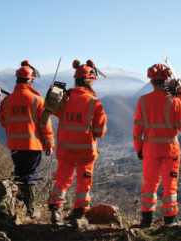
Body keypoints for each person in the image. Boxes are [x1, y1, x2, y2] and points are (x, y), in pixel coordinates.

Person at [48, 59, 107, 226]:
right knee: (84, 180)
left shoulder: (65, 98)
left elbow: (53, 110)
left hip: (65, 149)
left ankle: (56, 209)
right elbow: (100, 132)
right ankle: (80, 215)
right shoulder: (95, 103)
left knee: (62, 179)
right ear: (90, 80)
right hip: (86, 151)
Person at [133, 63, 181, 227]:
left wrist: (139, 149)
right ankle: (170, 220)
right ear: (166, 80)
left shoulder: (142, 101)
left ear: (151, 81)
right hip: (170, 151)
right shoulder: (174, 101)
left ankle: (146, 220)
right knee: (170, 187)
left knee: (149, 185)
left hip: (150, 150)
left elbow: (137, 129)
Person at [0, 60, 55, 218]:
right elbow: (45, 125)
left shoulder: (7, 101)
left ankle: (14, 208)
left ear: (17, 80)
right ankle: (31, 211)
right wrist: (49, 144)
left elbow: (3, 122)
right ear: (31, 80)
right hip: (32, 146)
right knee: (30, 177)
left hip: (15, 145)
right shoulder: (37, 100)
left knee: (19, 174)